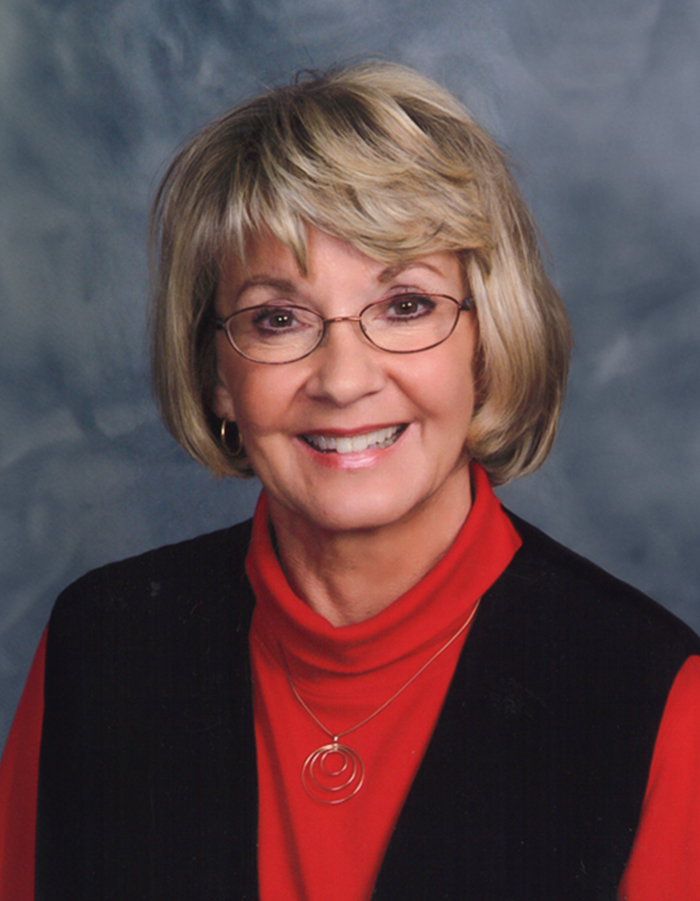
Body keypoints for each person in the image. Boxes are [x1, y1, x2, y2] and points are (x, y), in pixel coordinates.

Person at [1, 61, 699, 901]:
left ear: (488, 341)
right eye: (277, 318)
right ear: (218, 375)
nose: (343, 378)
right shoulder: (99, 649)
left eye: (405, 306)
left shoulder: (655, 697)